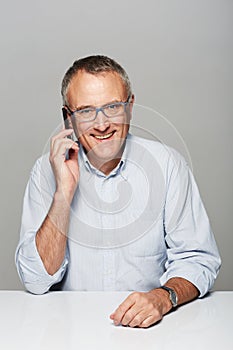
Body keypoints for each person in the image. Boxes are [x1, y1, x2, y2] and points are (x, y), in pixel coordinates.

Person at [15, 55, 221, 328]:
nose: (101, 125)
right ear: (68, 118)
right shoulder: (45, 172)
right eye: (86, 111)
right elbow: (36, 280)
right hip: (70, 332)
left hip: (153, 332)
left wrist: (163, 298)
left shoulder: (167, 165)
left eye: (112, 107)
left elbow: (199, 260)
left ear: (130, 106)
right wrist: (63, 192)